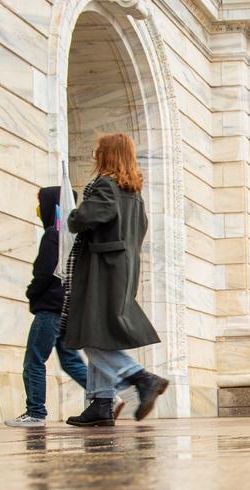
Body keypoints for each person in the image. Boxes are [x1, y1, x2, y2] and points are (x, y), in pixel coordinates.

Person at [62, 133, 169, 427]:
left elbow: (81, 220)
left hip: (103, 271)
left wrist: (72, 213)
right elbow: (141, 229)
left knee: (90, 335)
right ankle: (100, 402)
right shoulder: (133, 193)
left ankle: (140, 378)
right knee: (99, 332)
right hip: (121, 270)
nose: (95, 153)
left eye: (99, 150)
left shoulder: (106, 186)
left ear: (108, 154)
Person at [5, 186, 105, 426]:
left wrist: (32, 292)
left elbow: (44, 273)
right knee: (70, 360)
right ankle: (105, 396)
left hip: (50, 308)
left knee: (34, 360)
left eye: (41, 203)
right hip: (67, 309)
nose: (38, 210)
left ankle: (35, 412)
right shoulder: (75, 236)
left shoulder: (53, 234)